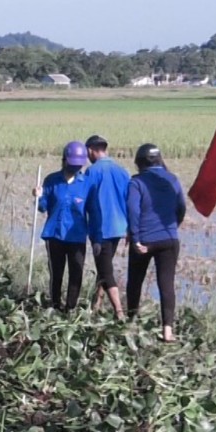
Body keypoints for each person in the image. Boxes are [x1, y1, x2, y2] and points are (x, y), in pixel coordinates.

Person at [126, 143, 187, 342]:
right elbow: (181, 207)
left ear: (139, 163)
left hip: (144, 239)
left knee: (135, 281)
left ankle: (131, 322)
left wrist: (135, 238)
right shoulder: (173, 179)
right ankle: (168, 331)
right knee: (166, 284)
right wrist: (172, 227)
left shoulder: (137, 182)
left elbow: (133, 211)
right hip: (169, 240)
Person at [35, 140, 91, 312]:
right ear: (65, 160)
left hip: (77, 235)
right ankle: (55, 305)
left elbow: (93, 209)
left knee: (76, 272)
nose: (75, 168)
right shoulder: (52, 180)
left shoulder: (87, 183)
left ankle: (70, 307)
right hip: (55, 234)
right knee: (56, 272)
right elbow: (42, 207)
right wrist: (38, 196)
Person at [83, 134, 130, 319]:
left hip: (101, 228)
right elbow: (130, 200)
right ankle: (96, 304)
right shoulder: (122, 171)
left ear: (90, 150)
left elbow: (85, 200)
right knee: (104, 265)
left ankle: (119, 312)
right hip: (119, 227)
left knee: (105, 269)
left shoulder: (92, 172)